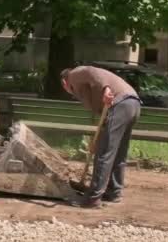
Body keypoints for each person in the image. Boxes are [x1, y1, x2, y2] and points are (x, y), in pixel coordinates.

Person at [60, 66, 142, 208]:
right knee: (118, 153)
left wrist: (106, 89)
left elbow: (92, 72)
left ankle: (92, 198)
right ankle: (113, 192)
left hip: (120, 103)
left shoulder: (74, 75)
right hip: (132, 104)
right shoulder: (83, 89)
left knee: (104, 154)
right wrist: (98, 140)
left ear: (64, 83)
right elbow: (104, 114)